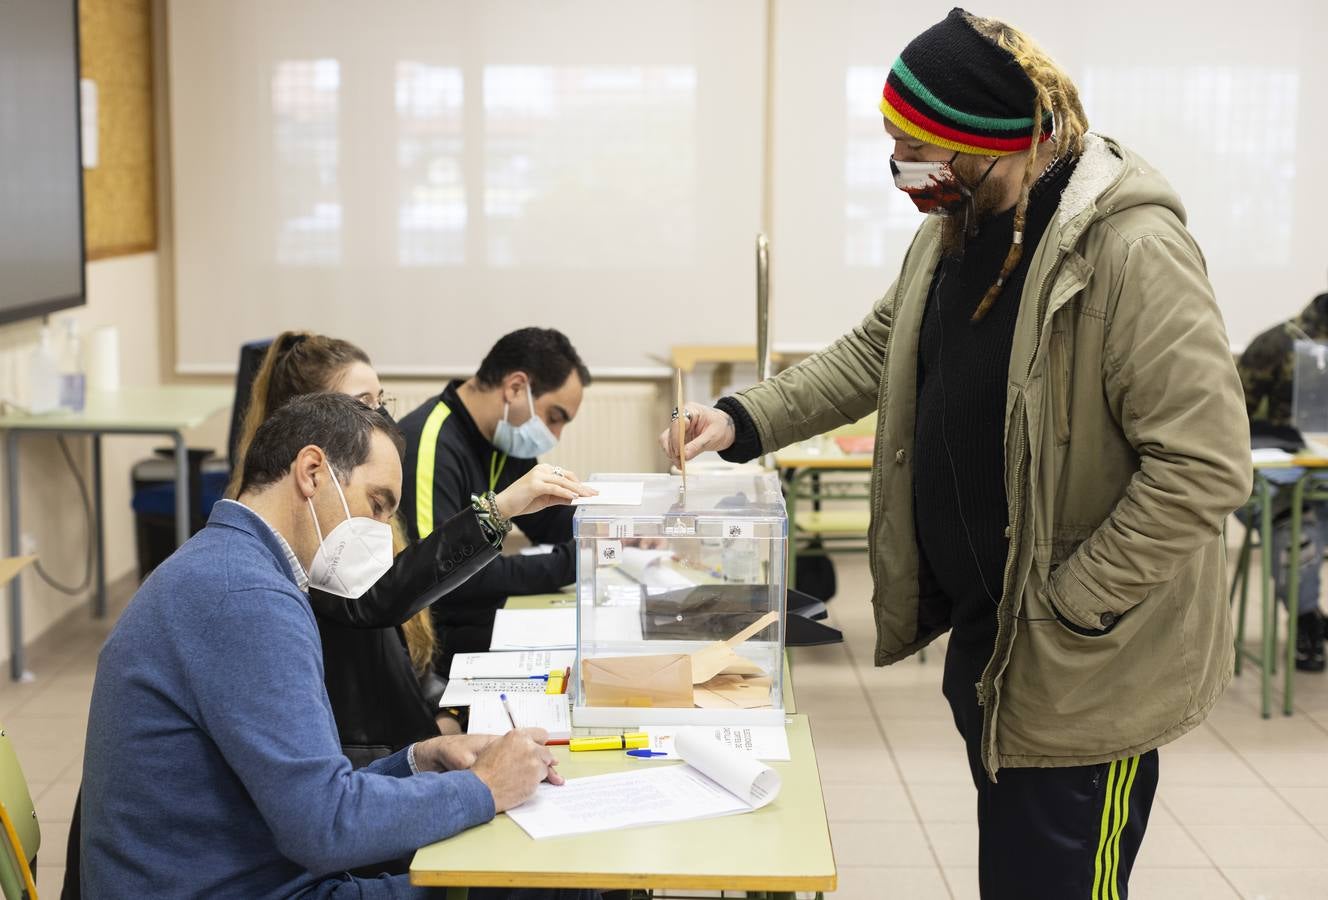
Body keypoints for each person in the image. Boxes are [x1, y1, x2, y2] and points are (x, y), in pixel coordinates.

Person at [663, 9, 1251, 899]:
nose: (902, 167)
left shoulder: (1131, 253)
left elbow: (1204, 467)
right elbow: (876, 350)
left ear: (988, 141)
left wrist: (1070, 601)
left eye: (916, 147)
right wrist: (740, 421)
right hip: (995, 641)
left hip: (1081, 662)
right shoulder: (961, 228)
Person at [81, 392, 598, 899]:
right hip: (248, 883)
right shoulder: (248, 598)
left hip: (236, 868)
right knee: (555, 880)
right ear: (311, 472)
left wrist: (419, 760)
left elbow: (305, 788)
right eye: (376, 506)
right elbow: (324, 826)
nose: (381, 532)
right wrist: (485, 786)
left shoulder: (228, 566)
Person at [228, 332, 592, 766]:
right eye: (363, 404)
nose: (380, 417)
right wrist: (499, 513)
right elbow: (382, 599)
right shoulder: (290, 563)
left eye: (382, 402)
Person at [397, 328, 591, 670]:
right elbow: (440, 577)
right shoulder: (430, 443)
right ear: (515, 388)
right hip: (437, 640)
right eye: (554, 417)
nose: (555, 435)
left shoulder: (502, 440)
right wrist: (572, 562)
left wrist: (604, 527)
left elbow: (549, 522)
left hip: (474, 616)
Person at [1237, 284, 1328, 671]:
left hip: (1317, 479)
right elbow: (1230, 423)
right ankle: (1307, 619)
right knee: (1296, 529)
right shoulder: (1274, 346)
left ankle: (1310, 614)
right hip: (1268, 481)